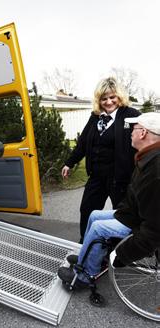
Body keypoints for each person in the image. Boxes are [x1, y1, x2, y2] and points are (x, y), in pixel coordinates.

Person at [58, 112, 160, 287]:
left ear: (143, 133)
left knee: (99, 227)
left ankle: (84, 275)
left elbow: (154, 229)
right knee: (94, 215)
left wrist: (122, 255)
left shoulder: (155, 170)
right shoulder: (147, 157)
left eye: (133, 129)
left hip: (140, 223)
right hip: (133, 214)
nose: (130, 133)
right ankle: (88, 257)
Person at [62, 77, 140, 242]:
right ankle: (86, 243)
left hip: (120, 177)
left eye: (113, 97)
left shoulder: (130, 115)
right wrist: (69, 162)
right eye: (104, 98)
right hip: (97, 175)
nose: (109, 102)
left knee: (120, 214)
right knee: (87, 209)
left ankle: (117, 249)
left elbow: (145, 139)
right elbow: (83, 143)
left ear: (119, 97)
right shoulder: (95, 117)